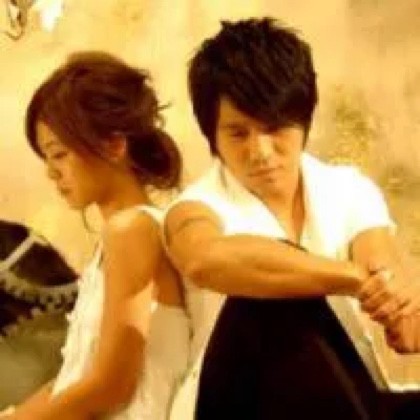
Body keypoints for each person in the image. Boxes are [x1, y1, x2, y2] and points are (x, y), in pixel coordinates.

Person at [164, 18, 420, 419]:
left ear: (303, 121)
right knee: (270, 295)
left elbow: (394, 297)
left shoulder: (347, 188)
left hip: (344, 399)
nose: (260, 152)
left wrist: (400, 305)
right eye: (238, 133)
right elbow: (204, 259)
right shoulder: (195, 208)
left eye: (275, 128)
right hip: (238, 405)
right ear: (212, 134)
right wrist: (348, 278)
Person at [2, 52, 189, 420]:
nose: (51, 173)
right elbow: (74, 380)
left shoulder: (132, 230)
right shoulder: (119, 236)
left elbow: (112, 384)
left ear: (113, 145)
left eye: (59, 154)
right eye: (46, 158)